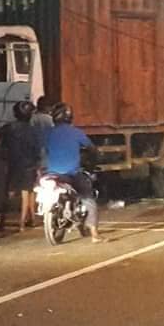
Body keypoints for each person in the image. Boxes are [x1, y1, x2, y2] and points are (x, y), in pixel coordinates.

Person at [45, 102, 106, 243]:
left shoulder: (48, 133)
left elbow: (41, 150)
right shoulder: (76, 132)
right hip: (71, 173)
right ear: (69, 117)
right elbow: (92, 149)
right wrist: (94, 161)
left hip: (51, 173)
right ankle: (95, 234)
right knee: (88, 198)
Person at [0, 101, 42, 232]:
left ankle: (3, 221)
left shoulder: (8, 128)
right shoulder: (34, 130)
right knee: (28, 192)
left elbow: (0, 141)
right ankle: (24, 222)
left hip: (13, 163)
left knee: (8, 192)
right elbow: (37, 149)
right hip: (29, 165)